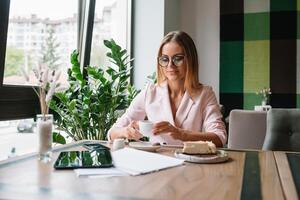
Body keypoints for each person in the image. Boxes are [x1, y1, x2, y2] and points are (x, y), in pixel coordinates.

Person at [108, 31, 226, 147]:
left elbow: (219, 137)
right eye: (165, 59)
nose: (170, 65)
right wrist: (125, 132)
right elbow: (112, 133)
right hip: (157, 161)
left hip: (190, 161)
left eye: (177, 58)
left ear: (190, 60)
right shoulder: (150, 93)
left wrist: (182, 134)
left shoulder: (205, 94)